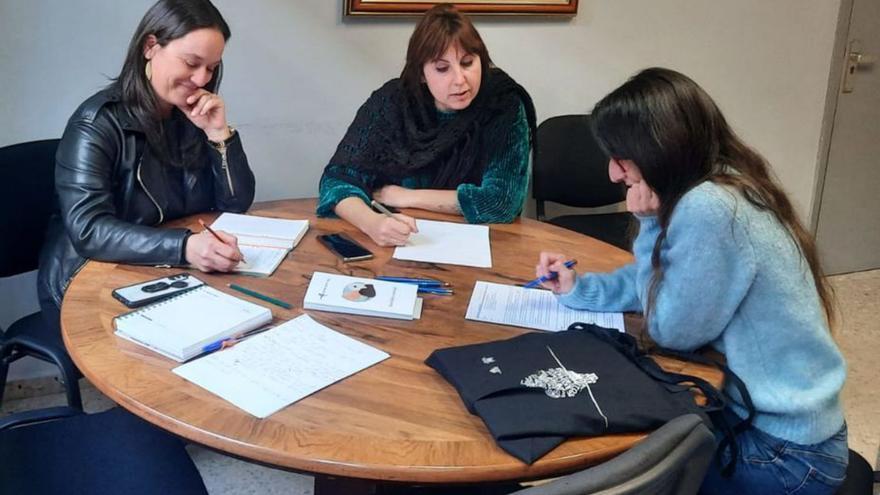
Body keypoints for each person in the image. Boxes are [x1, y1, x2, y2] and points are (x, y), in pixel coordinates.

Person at [536, 68, 848, 494]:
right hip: (784, 430)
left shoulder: (710, 207)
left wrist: (646, 223)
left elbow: (672, 330)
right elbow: (664, 282)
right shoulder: (718, 181)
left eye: (620, 157)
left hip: (783, 454)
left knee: (622, 474)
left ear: (656, 149)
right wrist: (580, 289)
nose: (612, 173)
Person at [38, 0, 254, 328]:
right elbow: (89, 230)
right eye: (192, 62)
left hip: (169, 268)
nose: (201, 79)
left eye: (211, 67)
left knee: (251, 320)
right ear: (151, 46)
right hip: (86, 278)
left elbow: (235, 203)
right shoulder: (96, 124)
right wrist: (185, 247)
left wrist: (218, 134)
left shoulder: (191, 117)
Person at [317, 3, 536, 246]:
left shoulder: (502, 104)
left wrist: (404, 197)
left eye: (467, 63)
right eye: (442, 68)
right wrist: (372, 223)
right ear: (421, 73)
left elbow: (501, 202)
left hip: (479, 243)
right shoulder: (391, 102)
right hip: (398, 239)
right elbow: (336, 181)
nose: (460, 80)